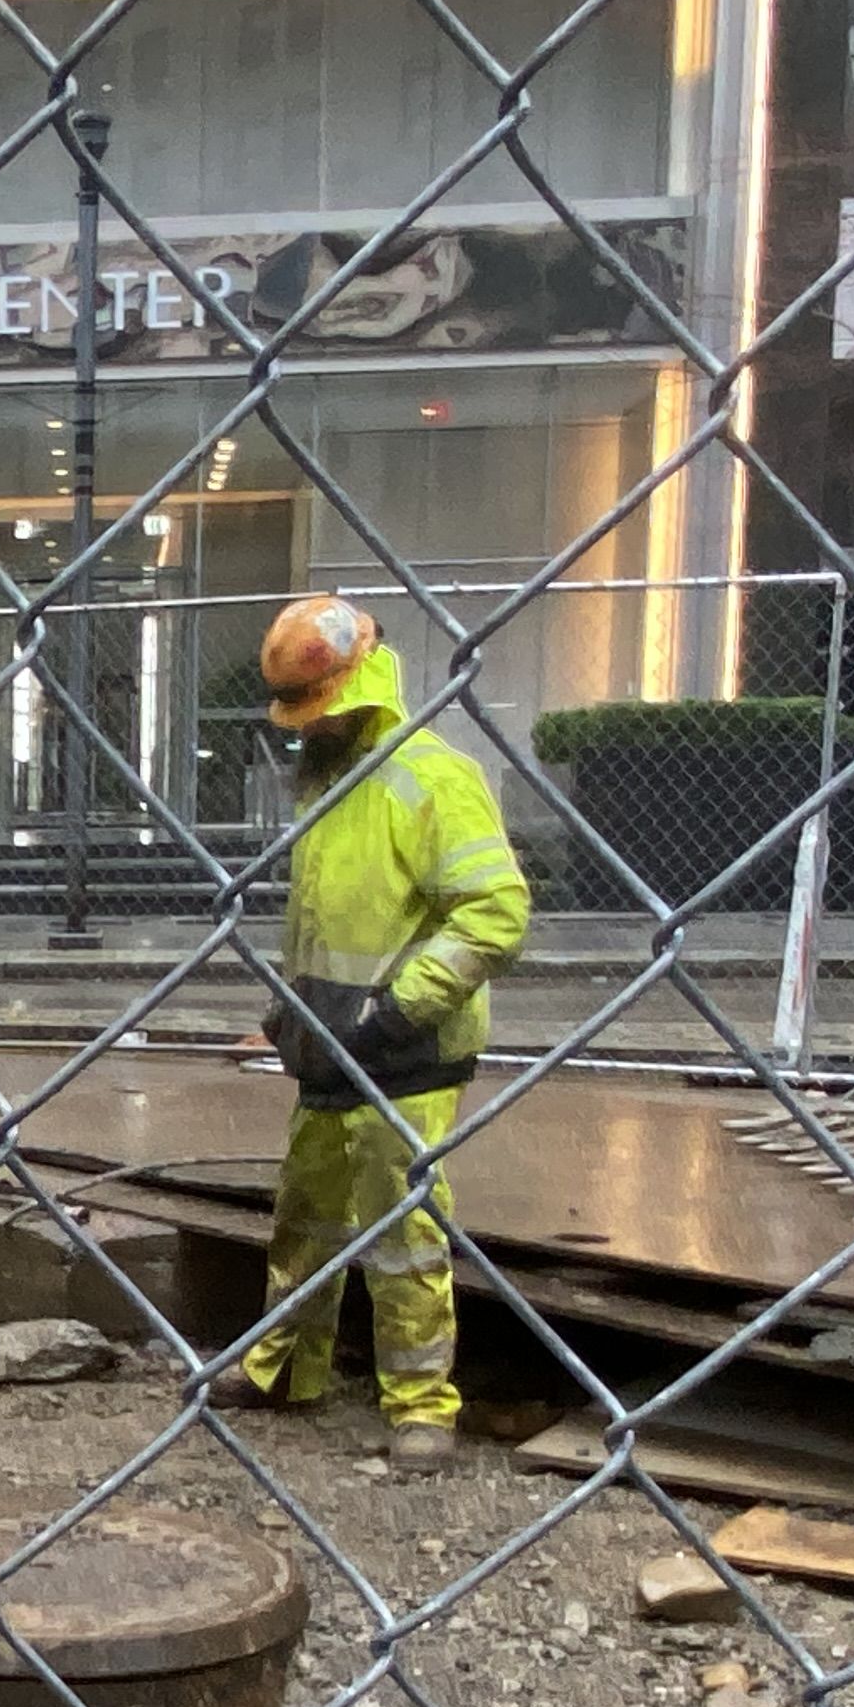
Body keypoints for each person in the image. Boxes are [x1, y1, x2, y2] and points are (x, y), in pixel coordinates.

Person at [238, 593, 531, 1474]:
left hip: (406, 1051)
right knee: (306, 1218)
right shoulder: (331, 781)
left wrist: (400, 1009)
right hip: (334, 1045)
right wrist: (295, 1007)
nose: (306, 728)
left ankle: (422, 1410)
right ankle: (285, 1371)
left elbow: (496, 911)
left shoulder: (427, 776)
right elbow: (332, 917)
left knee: (404, 1230)